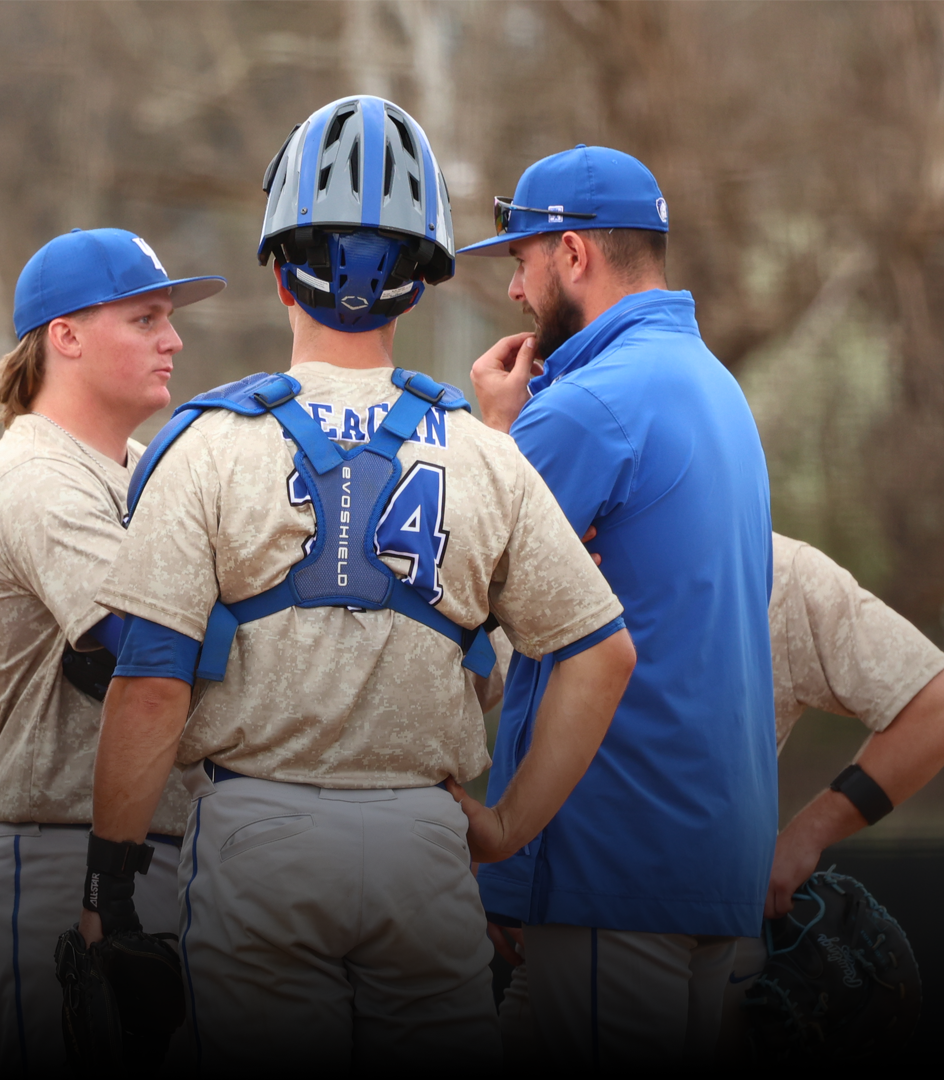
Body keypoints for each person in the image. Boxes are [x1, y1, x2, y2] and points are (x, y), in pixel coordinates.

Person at [79, 95, 634, 1071]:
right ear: (418, 287)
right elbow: (601, 655)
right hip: (425, 841)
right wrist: (504, 827)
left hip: (260, 837)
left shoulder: (207, 446)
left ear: (278, 272)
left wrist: (112, 885)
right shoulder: (484, 452)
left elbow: (155, 681)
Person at [462, 145, 775, 1069]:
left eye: (520, 260)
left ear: (572, 253)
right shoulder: (715, 387)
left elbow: (460, 591)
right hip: (713, 857)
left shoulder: (590, 405)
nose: (516, 291)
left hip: (614, 858)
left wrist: (493, 435)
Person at [493, 531, 944, 1059]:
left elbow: (943, 708)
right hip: (650, 919)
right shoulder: (558, 552)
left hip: (621, 911)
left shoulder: (784, 569)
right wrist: (498, 868)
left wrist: (805, 836)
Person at [0, 227, 225, 1073]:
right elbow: (150, 644)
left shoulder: (141, 466)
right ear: (65, 336)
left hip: (148, 851)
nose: (173, 339)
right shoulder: (36, 476)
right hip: (54, 851)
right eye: (145, 318)